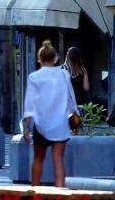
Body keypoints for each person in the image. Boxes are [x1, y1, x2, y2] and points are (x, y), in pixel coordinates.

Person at [22, 40, 80, 188]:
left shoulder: (34, 77)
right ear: (55, 59)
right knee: (58, 159)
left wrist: (27, 127)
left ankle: (35, 191)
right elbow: (71, 97)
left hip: (41, 123)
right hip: (60, 123)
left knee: (38, 158)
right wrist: (75, 115)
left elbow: (30, 103)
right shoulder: (64, 75)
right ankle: (59, 193)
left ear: (39, 59)